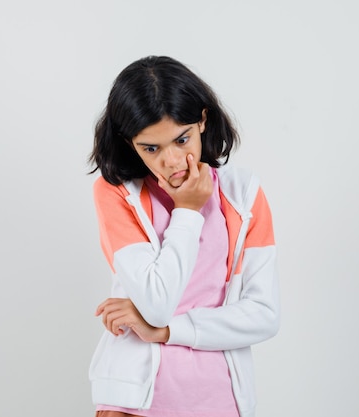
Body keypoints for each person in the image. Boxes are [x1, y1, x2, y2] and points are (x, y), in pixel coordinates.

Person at [87, 55, 280, 417]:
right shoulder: (116, 193)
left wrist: (165, 331)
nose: (173, 161)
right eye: (151, 148)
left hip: (220, 401)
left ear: (203, 120)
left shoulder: (243, 195)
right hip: (133, 404)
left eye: (182, 139)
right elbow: (157, 302)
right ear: (129, 143)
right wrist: (188, 210)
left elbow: (264, 314)